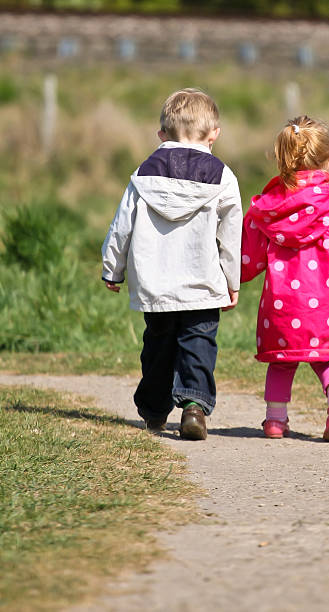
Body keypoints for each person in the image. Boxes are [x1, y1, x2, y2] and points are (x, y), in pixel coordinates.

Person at [101, 88, 242, 441]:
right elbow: (231, 235)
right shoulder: (222, 177)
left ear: (162, 134)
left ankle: (153, 410)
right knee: (199, 342)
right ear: (214, 135)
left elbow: (122, 226)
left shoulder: (143, 173)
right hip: (203, 283)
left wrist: (112, 268)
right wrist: (232, 280)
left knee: (159, 346)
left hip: (155, 282)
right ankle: (194, 406)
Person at [241, 115, 329, 442]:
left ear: (282, 159)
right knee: (328, 358)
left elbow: (247, 258)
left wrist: (230, 283)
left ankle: (275, 421)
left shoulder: (267, 210)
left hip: (281, 308)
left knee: (280, 362)